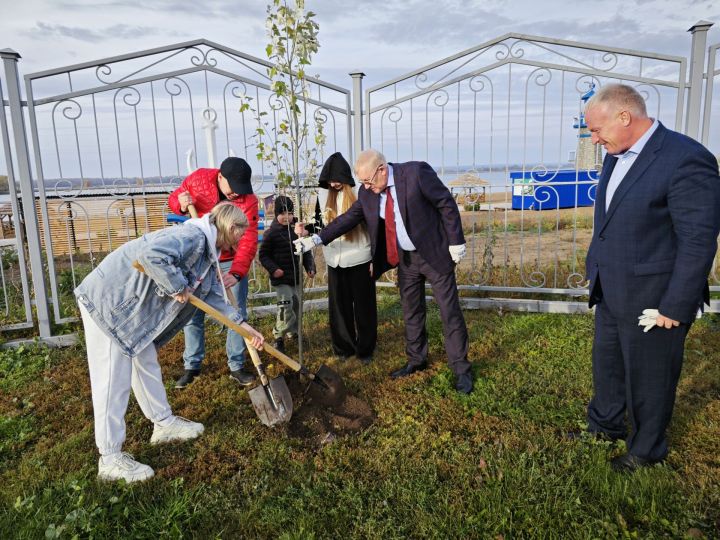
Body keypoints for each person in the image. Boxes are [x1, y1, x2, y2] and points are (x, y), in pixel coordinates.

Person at [75, 203, 265, 483]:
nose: (242, 240)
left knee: (145, 361)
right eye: (241, 233)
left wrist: (244, 326)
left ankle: (163, 424)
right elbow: (151, 255)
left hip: (131, 314)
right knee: (112, 379)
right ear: (231, 228)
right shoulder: (192, 238)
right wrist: (177, 286)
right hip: (110, 304)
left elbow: (214, 297)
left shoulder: (206, 252)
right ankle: (110, 457)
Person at [583, 84, 720, 472]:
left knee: (650, 377)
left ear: (624, 117)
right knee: (607, 364)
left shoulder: (685, 159)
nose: (594, 139)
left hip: (656, 297)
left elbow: (698, 240)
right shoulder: (615, 154)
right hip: (611, 287)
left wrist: (675, 305)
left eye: (596, 130)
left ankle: (646, 449)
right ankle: (604, 425)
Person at [295, 149, 473, 394]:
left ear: (381, 169)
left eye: (368, 181)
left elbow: (445, 203)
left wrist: (456, 241)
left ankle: (461, 369)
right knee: (411, 310)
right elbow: (348, 218)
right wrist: (316, 239)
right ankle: (416, 360)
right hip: (406, 259)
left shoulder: (415, 172)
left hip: (435, 254)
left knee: (448, 311)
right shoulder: (369, 193)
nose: (366, 187)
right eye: (362, 183)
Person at [168, 157, 259, 389]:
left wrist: (237, 272)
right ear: (220, 176)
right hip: (198, 258)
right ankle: (192, 365)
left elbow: (248, 239)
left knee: (236, 311)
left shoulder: (248, 200)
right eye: (232, 188)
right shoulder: (198, 179)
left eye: (240, 189)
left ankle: (237, 365)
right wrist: (179, 203)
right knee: (192, 311)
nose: (235, 194)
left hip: (229, 261)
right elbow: (174, 199)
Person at [310, 152, 377, 362]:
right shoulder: (323, 198)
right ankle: (344, 348)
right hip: (335, 260)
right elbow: (321, 226)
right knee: (339, 308)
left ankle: (365, 349)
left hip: (360, 258)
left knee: (364, 307)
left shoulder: (360, 195)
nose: (333, 183)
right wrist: (307, 231)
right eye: (330, 180)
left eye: (337, 179)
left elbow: (374, 228)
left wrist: (375, 258)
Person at [259, 195, 316, 353]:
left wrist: (310, 267)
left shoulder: (297, 232)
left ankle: (293, 332)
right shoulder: (271, 233)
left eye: (290, 213)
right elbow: (263, 255)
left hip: (296, 277)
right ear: (276, 214)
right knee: (286, 306)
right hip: (281, 278)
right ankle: (279, 335)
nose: (287, 217)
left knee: (297, 305)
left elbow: (306, 252)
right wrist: (273, 269)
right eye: (282, 213)